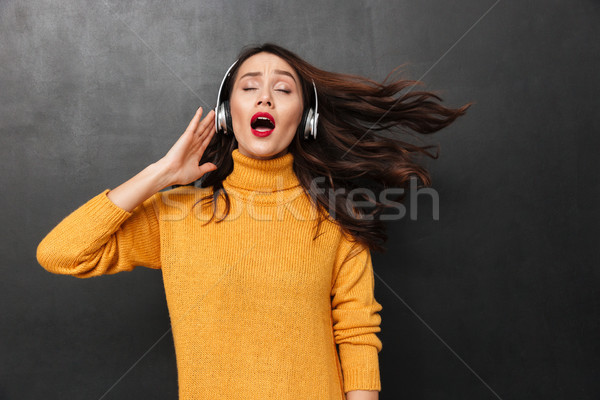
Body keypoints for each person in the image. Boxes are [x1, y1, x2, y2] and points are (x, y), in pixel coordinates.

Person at [36, 43, 471, 400]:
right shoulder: (176, 214)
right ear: (228, 113)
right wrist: (159, 175)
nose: (265, 96)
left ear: (306, 119)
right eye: (250, 87)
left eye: (283, 89)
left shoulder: (339, 215)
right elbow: (60, 253)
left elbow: (357, 335)